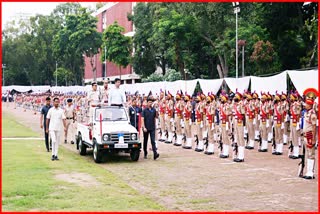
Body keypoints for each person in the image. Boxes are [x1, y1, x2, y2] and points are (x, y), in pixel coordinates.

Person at [301, 88, 318, 179]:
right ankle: (308, 171)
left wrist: (314, 138)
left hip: (310, 136)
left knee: (311, 154)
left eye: (307, 104)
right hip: (305, 135)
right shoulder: (307, 113)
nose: (305, 105)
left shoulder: (313, 114)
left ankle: (310, 173)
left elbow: (314, 127)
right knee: (307, 154)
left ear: (310, 105)